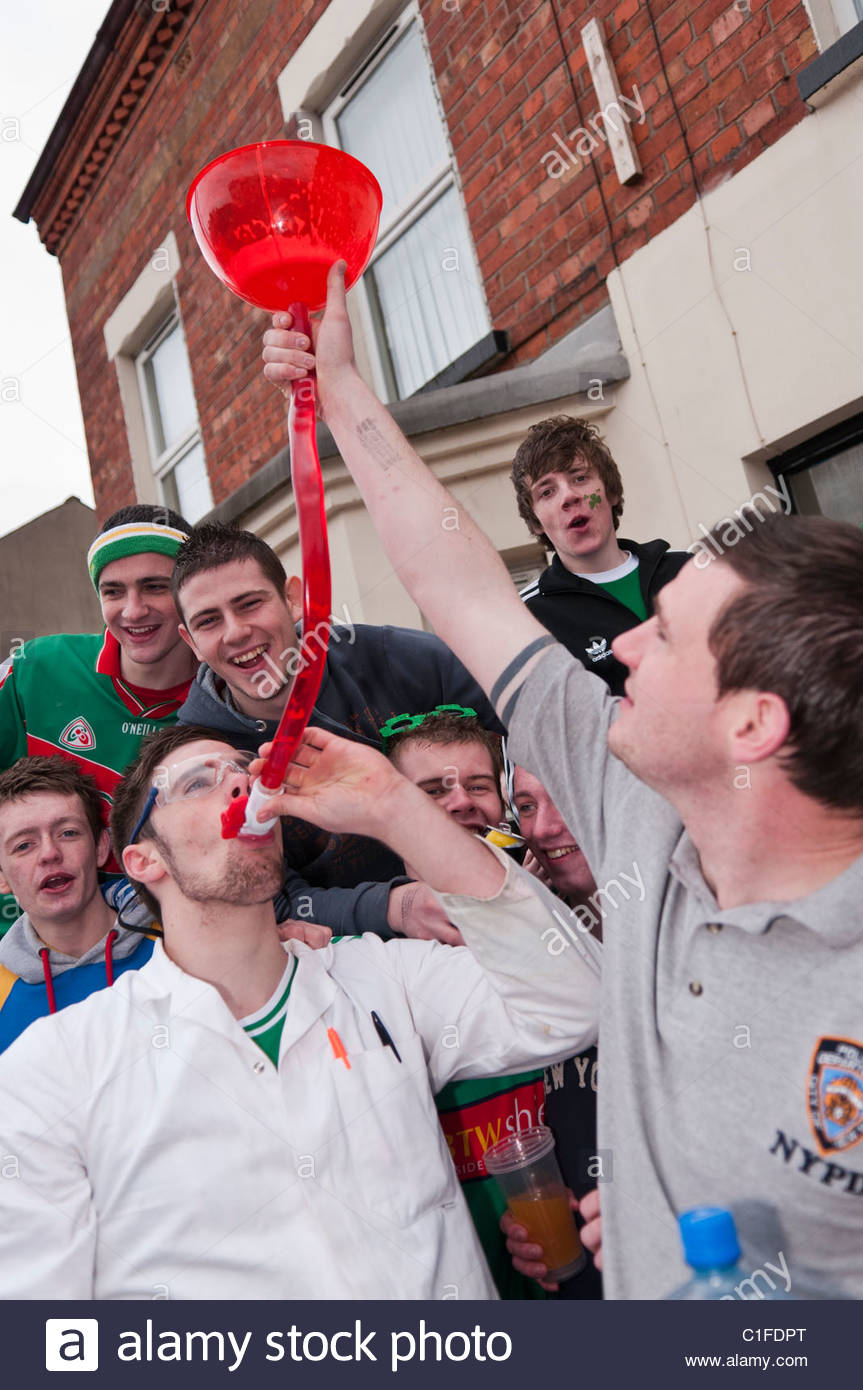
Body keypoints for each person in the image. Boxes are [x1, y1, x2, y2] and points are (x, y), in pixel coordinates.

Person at [261, 262, 863, 1298]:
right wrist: (341, 385)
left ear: (751, 725)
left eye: (663, 635)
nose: (622, 647)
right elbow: (459, 586)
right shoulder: (635, 799)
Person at [0, 723, 599, 1299]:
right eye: (196, 782)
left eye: (245, 771)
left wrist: (394, 804)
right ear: (143, 862)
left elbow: (578, 1000)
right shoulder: (54, 1069)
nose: (243, 785)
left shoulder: (386, 980)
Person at [172, 521, 502, 942]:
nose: (235, 631)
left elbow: (532, 715)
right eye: (208, 621)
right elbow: (265, 903)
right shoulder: (197, 757)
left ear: (292, 599)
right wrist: (392, 907)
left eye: (250, 603)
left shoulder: (384, 656)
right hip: (345, 965)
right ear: (191, 641)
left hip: (492, 904)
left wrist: (542, 825)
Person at [384, 709, 546, 1299]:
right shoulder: (366, 972)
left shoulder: (570, 929)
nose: (460, 803)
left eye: (478, 786)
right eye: (432, 791)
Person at [0, 504, 195, 923]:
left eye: (154, 586)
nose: (133, 609)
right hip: (18, 945)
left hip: (162, 958)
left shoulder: (224, 702)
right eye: (113, 591)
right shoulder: (34, 668)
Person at [505, 765, 602, 1300]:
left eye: (564, 795)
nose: (543, 828)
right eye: (525, 807)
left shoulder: (689, 942)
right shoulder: (537, 959)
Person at [513, 416, 688, 693]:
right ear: (536, 522)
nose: (569, 496)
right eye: (547, 491)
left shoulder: (691, 571)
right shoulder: (527, 618)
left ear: (611, 491)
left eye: (580, 477)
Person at [0, 757, 155, 1051]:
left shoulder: (179, 939)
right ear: (2, 877)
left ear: (101, 848)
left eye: (68, 833)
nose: (49, 853)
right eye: (24, 845)